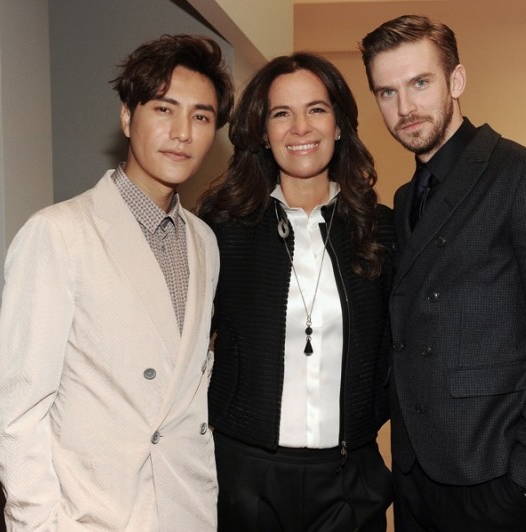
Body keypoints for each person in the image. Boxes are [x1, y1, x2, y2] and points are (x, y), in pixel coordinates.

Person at [0, 34, 234, 530]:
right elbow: (18, 411)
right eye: (164, 109)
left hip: (184, 507)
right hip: (94, 514)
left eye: (201, 117)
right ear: (127, 117)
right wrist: (40, 523)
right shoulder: (58, 233)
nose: (182, 132)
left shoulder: (205, 241)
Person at [359, 15, 526, 532]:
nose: (405, 108)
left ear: (456, 81)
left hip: (494, 474)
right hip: (414, 471)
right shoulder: (402, 201)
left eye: (420, 83)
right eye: (387, 92)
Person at [197, 52, 394, 531]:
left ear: (341, 125)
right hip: (245, 478)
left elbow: (403, 347)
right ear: (263, 133)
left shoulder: (383, 231)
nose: (300, 127)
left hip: (351, 480)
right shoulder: (222, 232)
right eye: (281, 114)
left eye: (317, 109)